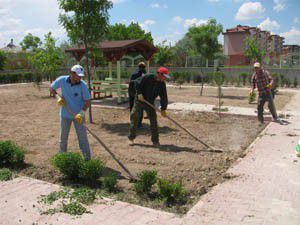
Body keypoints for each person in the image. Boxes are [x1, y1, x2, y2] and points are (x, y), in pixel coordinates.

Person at [50, 65, 92, 160]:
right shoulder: (62, 80)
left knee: (83, 139)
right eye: (78, 76)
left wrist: (81, 113)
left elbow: (88, 101)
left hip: (78, 116)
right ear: (72, 74)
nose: (80, 78)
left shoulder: (83, 85)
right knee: (63, 138)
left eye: (81, 76)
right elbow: (51, 88)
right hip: (65, 115)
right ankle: (62, 158)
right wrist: (57, 97)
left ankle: (87, 159)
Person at [128, 67, 170, 147]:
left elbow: (164, 97)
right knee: (135, 118)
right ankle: (131, 138)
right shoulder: (148, 77)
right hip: (140, 100)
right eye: (164, 76)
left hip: (149, 102)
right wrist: (139, 93)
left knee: (153, 121)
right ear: (159, 74)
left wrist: (163, 109)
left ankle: (155, 141)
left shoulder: (162, 84)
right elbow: (136, 82)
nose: (165, 78)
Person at [128, 62, 147, 127]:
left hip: (132, 92)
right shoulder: (144, 74)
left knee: (132, 107)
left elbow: (130, 83)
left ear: (138, 67)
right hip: (139, 94)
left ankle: (133, 121)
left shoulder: (134, 74)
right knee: (140, 108)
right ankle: (139, 123)